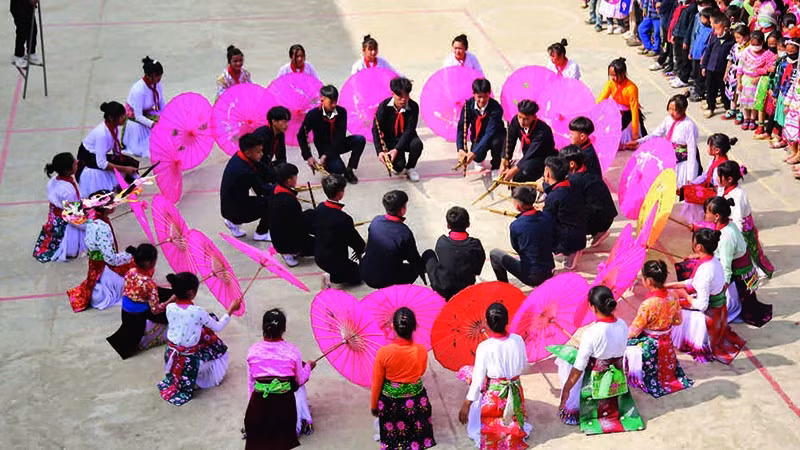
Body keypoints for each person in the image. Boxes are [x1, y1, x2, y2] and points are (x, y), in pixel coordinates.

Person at [555, 286, 645, 434]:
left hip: (596, 382)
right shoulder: (622, 324)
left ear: (592, 307)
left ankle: (581, 407)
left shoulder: (591, 332)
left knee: (565, 359)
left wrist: (566, 390)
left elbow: (578, 368)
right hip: (617, 379)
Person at [158, 272, 240, 406]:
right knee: (219, 351)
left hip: (171, 354)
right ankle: (198, 378)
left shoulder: (170, 307)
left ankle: (185, 377)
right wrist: (230, 310)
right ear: (191, 293)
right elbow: (218, 327)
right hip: (188, 360)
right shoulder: (197, 311)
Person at [667, 228, 746, 364]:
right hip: (721, 309)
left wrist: (686, 297)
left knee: (670, 303)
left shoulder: (705, 270)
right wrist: (672, 285)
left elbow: (702, 305)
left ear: (698, 247)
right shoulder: (714, 260)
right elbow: (695, 283)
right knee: (675, 292)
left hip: (710, 314)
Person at [458, 303, 531, 449]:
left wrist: (466, 404)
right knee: (512, 416)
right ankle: (513, 430)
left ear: (487, 323)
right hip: (515, 389)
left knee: (469, 373)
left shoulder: (484, 347)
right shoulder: (518, 340)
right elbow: (523, 364)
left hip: (496, 394)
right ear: (507, 320)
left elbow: (478, 381)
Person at [245, 309, 316, 448]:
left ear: (263, 327)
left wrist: (252, 403)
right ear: (284, 329)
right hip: (283, 405)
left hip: (259, 404)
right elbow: (299, 380)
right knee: (282, 443)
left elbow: (251, 383)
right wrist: (309, 367)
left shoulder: (253, 350)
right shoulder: (292, 350)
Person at [624, 260, 694, 398]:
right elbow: (678, 320)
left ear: (648, 281)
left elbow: (634, 331)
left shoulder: (647, 304)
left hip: (650, 346)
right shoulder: (673, 296)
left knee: (624, 344)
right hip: (667, 344)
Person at [371, 308, 435, 450]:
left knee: (394, 440)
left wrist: (374, 405)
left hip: (391, 404)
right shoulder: (421, 350)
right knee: (415, 437)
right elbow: (421, 371)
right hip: (416, 402)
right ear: (415, 327)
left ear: (393, 326)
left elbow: (377, 382)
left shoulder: (383, 353)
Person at [704, 197, 772, 326]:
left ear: (717, 216)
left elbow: (726, 267)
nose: (705, 215)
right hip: (744, 270)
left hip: (739, 278)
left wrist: (721, 288)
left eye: (707, 212)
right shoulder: (728, 224)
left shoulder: (726, 237)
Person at [66, 190, 135, 313]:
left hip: (95, 266)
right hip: (104, 267)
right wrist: (129, 256)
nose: (115, 203)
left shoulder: (93, 219)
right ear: (106, 207)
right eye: (113, 202)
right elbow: (111, 259)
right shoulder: (102, 227)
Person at [106, 243, 173, 360]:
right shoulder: (149, 283)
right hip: (137, 315)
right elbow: (156, 309)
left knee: (165, 292)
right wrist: (169, 301)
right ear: (149, 262)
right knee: (169, 309)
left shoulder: (130, 271)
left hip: (126, 309)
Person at [627, 95, 701, 189]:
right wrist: (639, 142)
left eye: (674, 110)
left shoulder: (689, 125)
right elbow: (656, 134)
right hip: (669, 155)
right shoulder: (668, 120)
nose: (671, 113)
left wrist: (691, 176)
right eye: (669, 109)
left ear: (683, 109)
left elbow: (692, 151)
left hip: (682, 162)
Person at [716, 160, 774, 277]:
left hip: (742, 229)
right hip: (732, 226)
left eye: (719, 176)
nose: (717, 178)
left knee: (750, 253)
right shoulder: (725, 188)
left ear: (730, 179)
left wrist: (736, 236)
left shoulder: (738, 195)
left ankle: (757, 271)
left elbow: (738, 218)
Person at [298, 85, 365, 184]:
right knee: (338, 169)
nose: (334, 105)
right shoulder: (313, 115)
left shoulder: (341, 112)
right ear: (322, 99)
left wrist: (326, 155)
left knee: (360, 139)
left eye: (335, 101)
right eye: (331, 102)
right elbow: (301, 135)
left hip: (339, 143)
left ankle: (349, 169)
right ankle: (333, 165)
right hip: (324, 147)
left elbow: (340, 136)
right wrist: (308, 156)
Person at [489, 187, 556, 287]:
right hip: (548, 270)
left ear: (518, 206)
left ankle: (504, 287)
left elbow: (516, 247)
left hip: (531, 276)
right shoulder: (546, 217)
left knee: (494, 254)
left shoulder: (516, 225)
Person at [360, 190, 423, 288]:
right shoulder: (404, 232)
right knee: (415, 268)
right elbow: (413, 258)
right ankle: (393, 291)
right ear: (402, 209)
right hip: (386, 278)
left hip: (366, 272)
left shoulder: (376, 221)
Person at [422, 206, 485, 300]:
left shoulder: (442, 242)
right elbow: (478, 267)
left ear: (448, 225)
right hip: (465, 289)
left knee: (428, 253)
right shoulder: (475, 245)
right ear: (468, 224)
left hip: (442, 288)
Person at [33, 153, 86, 263]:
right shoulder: (68, 191)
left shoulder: (53, 181)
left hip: (54, 219)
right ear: (67, 170)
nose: (77, 161)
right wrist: (89, 225)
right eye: (74, 162)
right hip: (66, 221)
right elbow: (73, 219)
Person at [76, 102, 139, 195]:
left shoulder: (115, 127)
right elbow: (101, 163)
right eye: (121, 116)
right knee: (123, 167)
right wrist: (125, 169)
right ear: (111, 118)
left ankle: (122, 185)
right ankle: (120, 185)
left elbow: (117, 151)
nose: (124, 118)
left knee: (129, 162)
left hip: (96, 155)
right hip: (88, 157)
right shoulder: (102, 134)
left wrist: (123, 162)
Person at [314, 174, 365, 288]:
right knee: (359, 276)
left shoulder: (320, 207)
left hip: (319, 255)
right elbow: (355, 241)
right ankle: (330, 277)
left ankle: (333, 274)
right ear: (340, 193)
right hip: (335, 260)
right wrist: (362, 248)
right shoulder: (343, 218)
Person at [560, 146, 617, 248]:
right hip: (606, 217)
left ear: (572, 164)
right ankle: (597, 232)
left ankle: (574, 247)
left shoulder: (574, 181)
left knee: (561, 213)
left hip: (599, 220)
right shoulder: (588, 172)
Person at [220, 133, 273, 241]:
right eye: (258, 152)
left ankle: (231, 222)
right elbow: (261, 190)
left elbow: (260, 166)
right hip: (234, 210)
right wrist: (281, 189)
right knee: (270, 203)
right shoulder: (244, 171)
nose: (262, 154)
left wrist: (275, 175)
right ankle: (261, 233)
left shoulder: (240, 156)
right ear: (248, 153)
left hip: (229, 205)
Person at [372, 77, 423, 182]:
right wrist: (379, 151)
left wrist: (397, 149)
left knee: (417, 144)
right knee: (398, 167)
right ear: (393, 94)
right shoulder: (384, 106)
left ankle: (410, 167)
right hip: (391, 139)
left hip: (408, 137)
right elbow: (376, 129)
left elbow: (410, 130)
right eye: (400, 96)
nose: (404, 99)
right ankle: (401, 164)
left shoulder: (413, 107)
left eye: (406, 96)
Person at [542, 156, 588, 270]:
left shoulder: (553, 197)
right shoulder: (572, 184)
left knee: (539, 228)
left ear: (548, 174)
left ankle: (567, 251)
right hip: (580, 232)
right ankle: (571, 248)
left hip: (569, 239)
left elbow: (547, 220)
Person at [456, 78, 506, 178]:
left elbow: (489, 133)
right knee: (477, 157)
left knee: (497, 143)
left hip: (495, 135)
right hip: (478, 136)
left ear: (489, 94)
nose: (482, 100)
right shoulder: (467, 106)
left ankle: (495, 167)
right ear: (473, 94)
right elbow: (461, 127)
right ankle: (479, 158)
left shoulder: (496, 108)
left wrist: (474, 152)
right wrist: (460, 148)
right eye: (479, 97)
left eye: (485, 96)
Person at [268, 163, 316, 267]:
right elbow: (299, 225)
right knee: (322, 246)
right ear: (289, 181)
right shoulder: (289, 201)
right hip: (288, 241)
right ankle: (291, 252)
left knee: (311, 214)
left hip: (280, 234)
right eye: (295, 177)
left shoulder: (275, 191)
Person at [502, 100, 558, 182]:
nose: (521, 122)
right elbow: (510, 140)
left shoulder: (543, 131)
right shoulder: (515, 121)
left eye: (526, 119)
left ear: (534, 117)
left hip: (542, 158)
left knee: (521, 173)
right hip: (528, 157)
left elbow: (531, 153)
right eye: (520, 117)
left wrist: (513, 170)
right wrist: (505, 159)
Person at [122, 56, 166, 158]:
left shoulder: (157, 84)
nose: (160, 78)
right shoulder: (139, 90)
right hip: (136, 120)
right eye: (157, 76)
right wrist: (153, 124)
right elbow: (138, 116)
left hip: (149, 114)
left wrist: (167, 117)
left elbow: (161, 103)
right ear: (149, 76)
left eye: (160, 75)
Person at [597, 58, 647, 146]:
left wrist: (635, 135)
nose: (614, 78)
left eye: (616, 75)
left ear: (623, 73)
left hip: (629, 114)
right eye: (611, 75)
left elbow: (634, 110)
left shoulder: (631, 88)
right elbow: (600, 101)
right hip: (616, 112)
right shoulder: (610, 83)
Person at [737, 30, 776, 130]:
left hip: (757, 81)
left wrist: (758, 77)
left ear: (762, 43)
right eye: (752, 44)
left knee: (754, 102)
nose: (755, 46)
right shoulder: (745, 52)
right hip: (746, 80)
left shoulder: (766, 54)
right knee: (745, 101)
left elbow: (767, 69)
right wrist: (739, 82)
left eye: (757, 44)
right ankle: (746, 118)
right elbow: (740, 68)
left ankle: (752, 119)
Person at [701, 12, 736, 117]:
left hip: (723, 71)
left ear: (725, 29)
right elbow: (708, 52)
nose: (715, 32)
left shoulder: (731, 42)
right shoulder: (714, 38)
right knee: (711, 89)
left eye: (717, 29)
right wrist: (704, 66)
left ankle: (727, 107)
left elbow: (731, 58)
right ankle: (711, 106)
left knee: (724, 89)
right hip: (711, 68)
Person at [252, 106, 290, 184]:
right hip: (257, 168)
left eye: (287, 122)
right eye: (284, 122)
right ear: (274, 122)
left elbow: (281, 156)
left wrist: (284, 172)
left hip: (267, 164)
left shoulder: (280, 134)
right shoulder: (262, 134)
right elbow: (258, 161)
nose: (286, 125)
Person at [10, 0, 40, 69]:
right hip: (18, 5)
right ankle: (17, 56)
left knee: (33, 29)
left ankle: (31, 52)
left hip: (28, 5)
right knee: (22, 30)